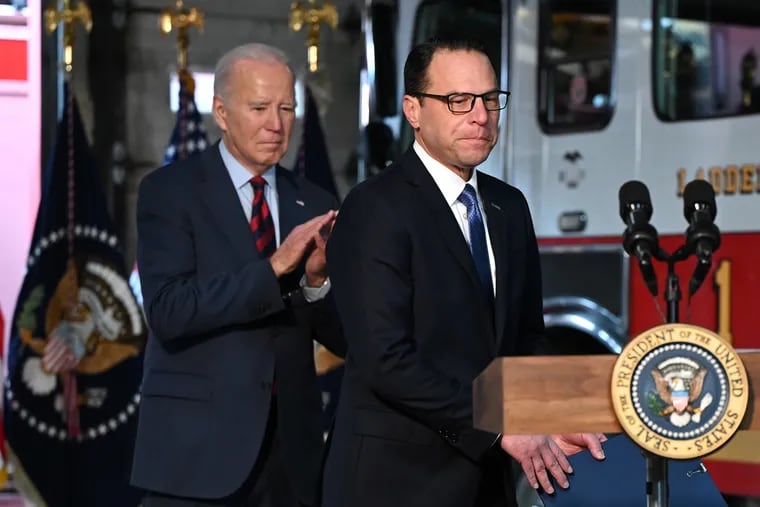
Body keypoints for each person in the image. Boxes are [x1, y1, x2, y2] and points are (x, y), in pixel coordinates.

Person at [322, 39, 605, 507]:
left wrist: (546, 414)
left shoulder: (508, 206)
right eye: (459, 101)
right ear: (413, 110)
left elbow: (526, 339)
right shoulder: (375, 207)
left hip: (487, 484)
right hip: (397, 482)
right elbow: (386, 360)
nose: (481, 115)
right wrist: (500, 425)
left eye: (491, 99)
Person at [131, 42, 345, 507]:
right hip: (196, 458)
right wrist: (273, 269)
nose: (277, 123)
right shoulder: (168, 192)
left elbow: (346, 337)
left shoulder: (315, 200)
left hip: (291, 460)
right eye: (260, 107)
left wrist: (314, 283)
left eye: (287, 107)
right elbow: (169, 311)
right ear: (222, 112)